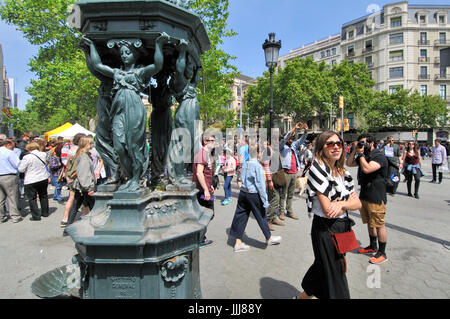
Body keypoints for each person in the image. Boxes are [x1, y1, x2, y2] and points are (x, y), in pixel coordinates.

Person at [82, 33, 169, 192]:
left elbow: (157, 65)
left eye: (127, 52)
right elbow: (97, 65)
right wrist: (90, 48)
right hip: (118, 108)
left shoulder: (139, 72)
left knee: (134, 145)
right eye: (121, 53)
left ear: (135, 54)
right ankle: (129, 176)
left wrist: (159, 44)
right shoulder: (117, 73)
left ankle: (136, 179)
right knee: (120, 145)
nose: (124, 55)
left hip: (134, 108)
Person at [297, 131, 361, 299]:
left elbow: (358, 204)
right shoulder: (317, 170)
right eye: (330, 144)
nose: (335, 147)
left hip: (342, 228)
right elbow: (328, 210)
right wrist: (348, 202)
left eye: (338, 143)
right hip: (325, 229)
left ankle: (302, 298)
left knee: (323, 268)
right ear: (321, 148)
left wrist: (341, 203)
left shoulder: (343, 173)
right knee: (336, 275)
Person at [230, 141, 282, 253]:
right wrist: (265, 201)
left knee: (241, 215)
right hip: (253, 194)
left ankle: (238, 242)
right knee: (261, 215)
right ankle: (269, 237)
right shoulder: (257, 166)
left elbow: (240, 179)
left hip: (243, 193)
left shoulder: (246, 163)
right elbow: (260, 185)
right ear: (258, 153)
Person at [346, 134, 389, 264]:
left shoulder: (378, 156)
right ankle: (372, 246)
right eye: (359, 143)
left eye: (363, 143)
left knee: (379, 224)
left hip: (376, 195)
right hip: (365, 194)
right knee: (370, 222)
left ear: (371, 143)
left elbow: (367, 168)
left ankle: (382, 252)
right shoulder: (363, 155)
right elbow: (348, 163)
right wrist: (355, 150)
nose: (361, 145)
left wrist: (361, 155)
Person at [279, 122, 308, 221]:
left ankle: (289, 211)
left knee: (290, 194)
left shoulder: (294, 146)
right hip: (286, 173)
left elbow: (301, 140)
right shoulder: (282, 146)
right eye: (290, 138)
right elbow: (285, 138)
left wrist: (305, 132)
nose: (291, 140)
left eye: (292, 138)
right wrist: (293, 129)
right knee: (283, 193)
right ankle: (281, 212)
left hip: (294, 172)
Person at [66, 136, 96, 227]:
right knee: (92, 206)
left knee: (77, 206)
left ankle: (68, 226)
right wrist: (89, 187)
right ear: (86, 144)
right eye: (91, 143)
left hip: (82, 186)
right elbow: (83, 174)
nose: (92, 145)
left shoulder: (84, 155)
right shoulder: (83, 157)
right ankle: (97, 225)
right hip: (84, 187)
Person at [193, 132, 216, 248]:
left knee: (207, 213)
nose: (213, 143)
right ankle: (200, 238)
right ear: (205, 141)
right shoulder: (202, 153)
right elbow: (199, 173)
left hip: (205, 188)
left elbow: (206, 173)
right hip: (203, 191)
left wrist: (210, 185)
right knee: (207, 214)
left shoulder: (205, 154)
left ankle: (200, 237)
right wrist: (206, 190)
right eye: (211, 141)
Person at [18, 142, 50, 221]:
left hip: (31, 179)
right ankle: (45, 212)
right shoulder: (43, 154)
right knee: (43, 195)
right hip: (43, 177)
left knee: (32, 198)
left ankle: (36, 216)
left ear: (29, 149)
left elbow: (21, 169)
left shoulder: (27, 157)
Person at [61, 133, 86, 228]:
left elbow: (67, 164)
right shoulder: (78, 150)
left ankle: (66, 218)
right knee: (74, 198)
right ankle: (67, 218)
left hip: (71, 177)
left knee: (75, 198)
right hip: (77, 177)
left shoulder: (70, 149)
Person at [0, 139, 23, 223]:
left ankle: (1, 217)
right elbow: (17, 164)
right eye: (13, 146)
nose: (13, 148)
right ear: (8, 144)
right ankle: (15, 216)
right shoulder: (9, 152)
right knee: (12, 197)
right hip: (9, 176)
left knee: (0, 199)